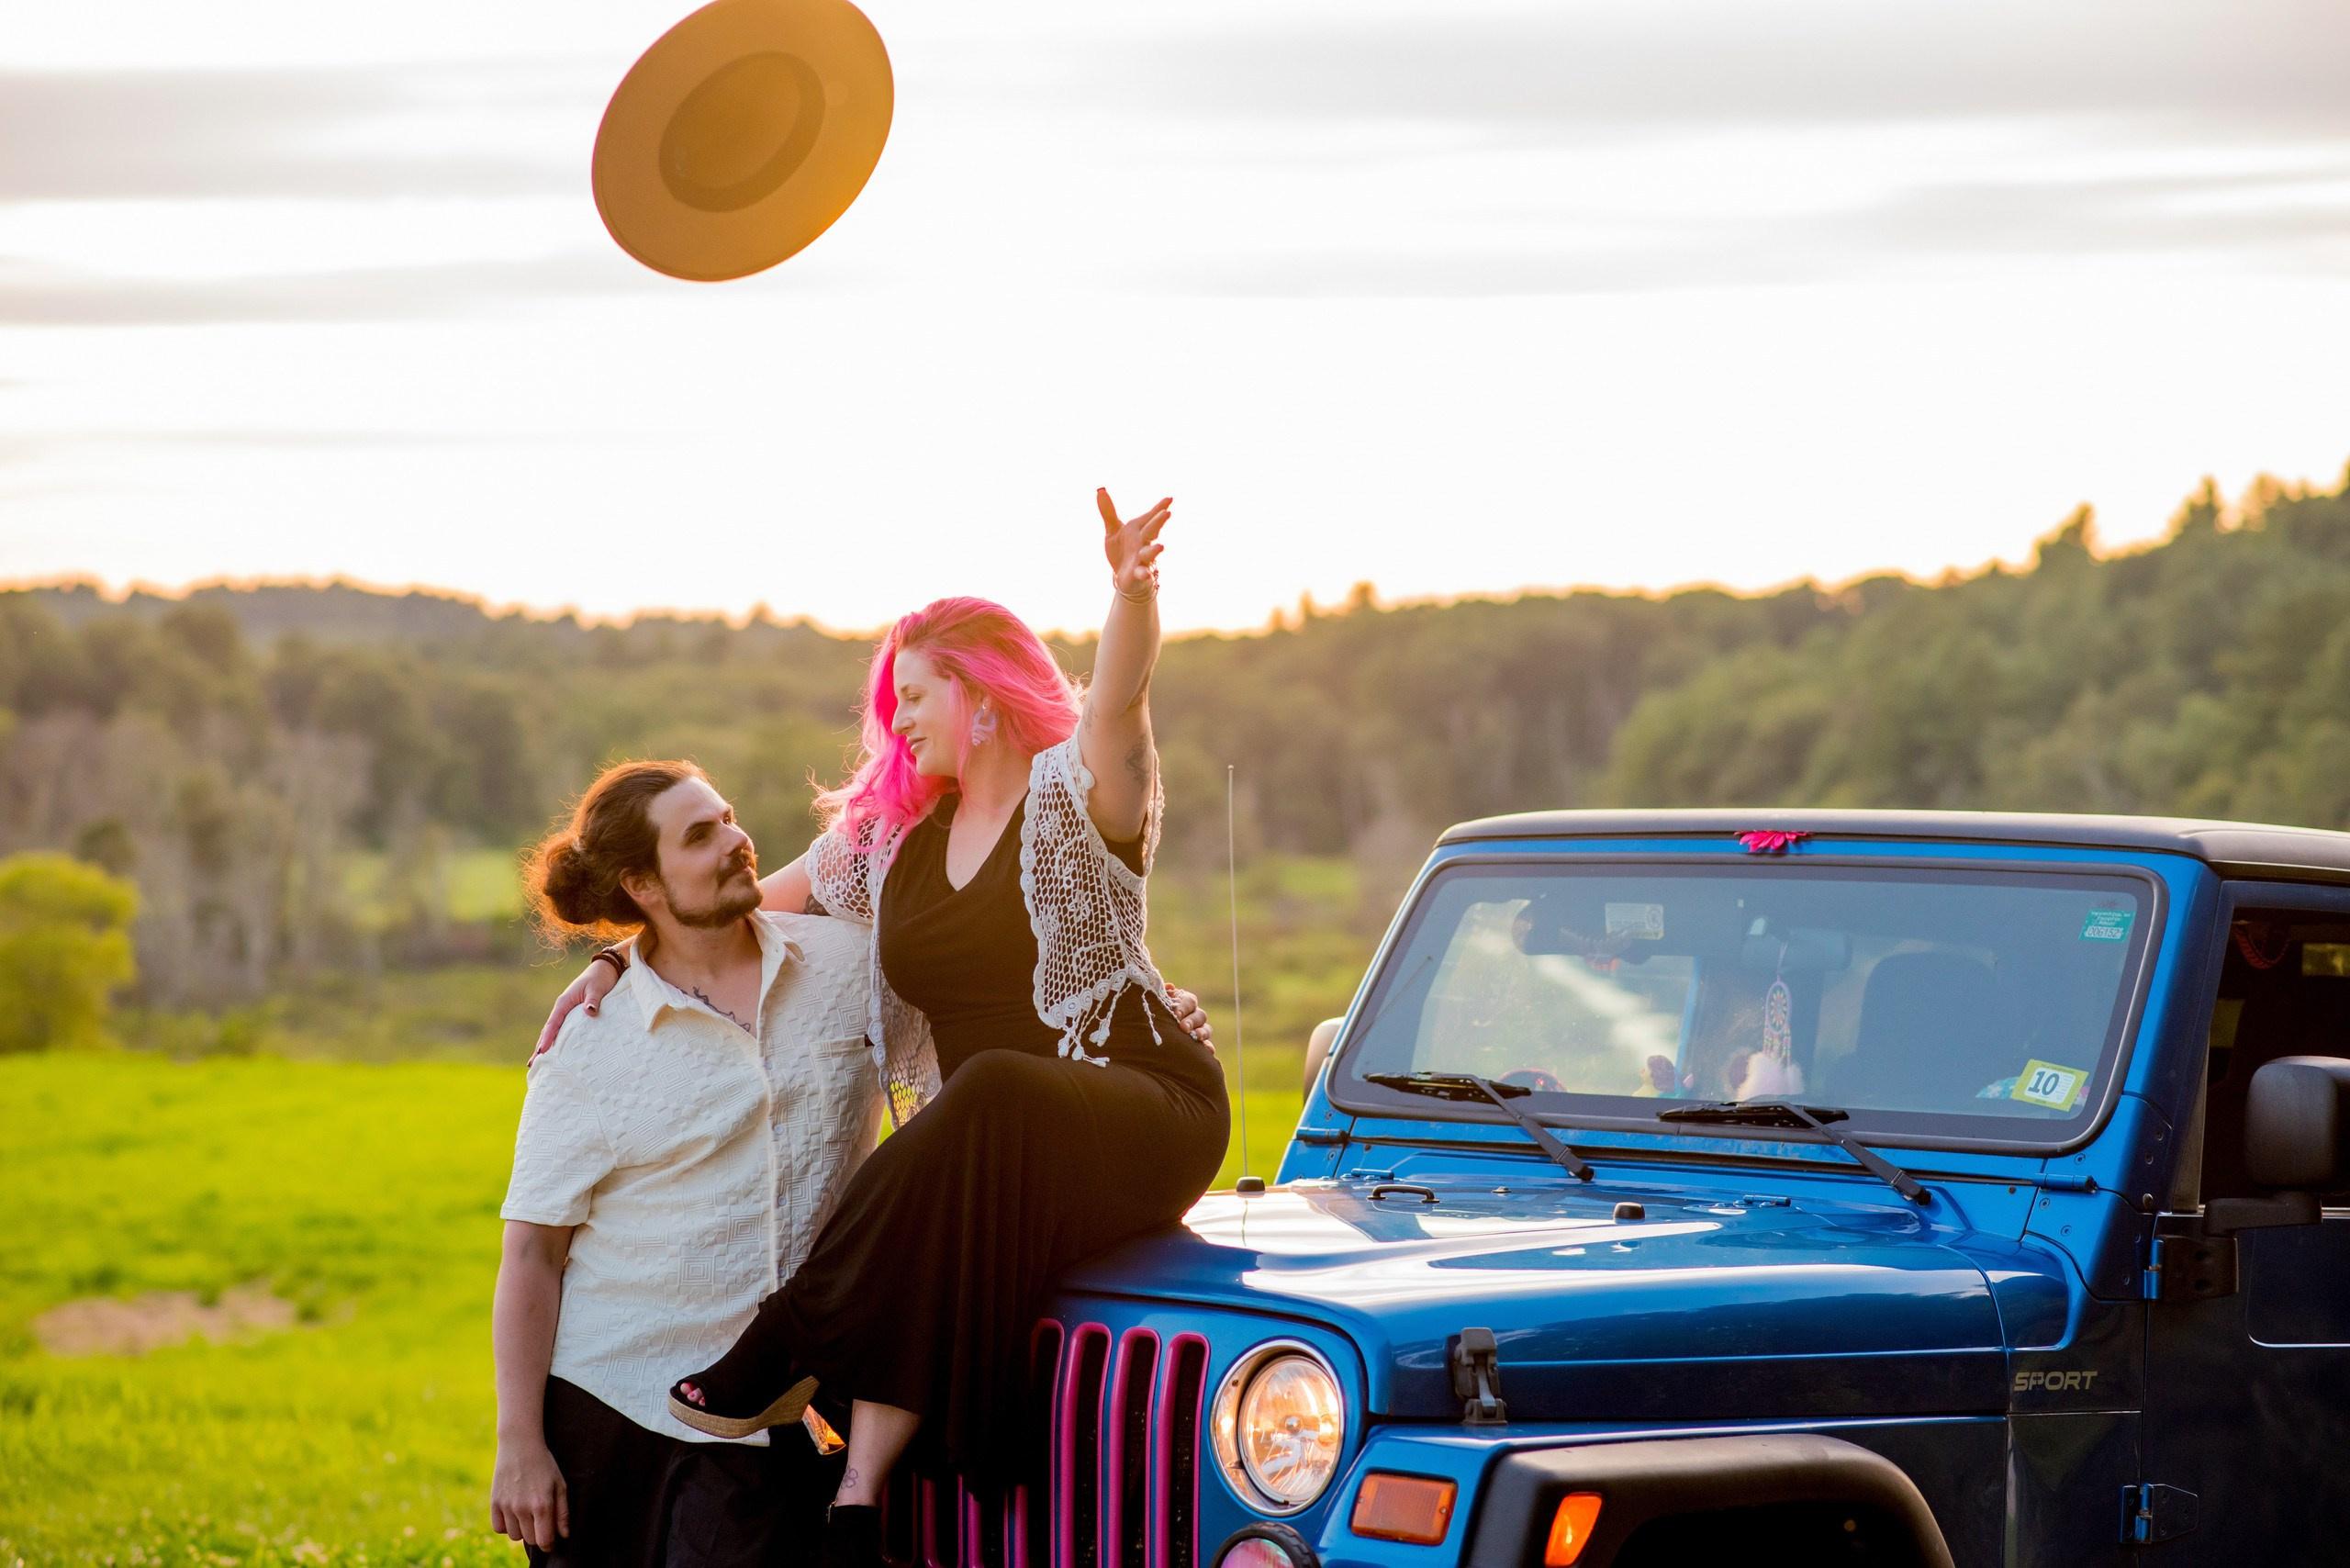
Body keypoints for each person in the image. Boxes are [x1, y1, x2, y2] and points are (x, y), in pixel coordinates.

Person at [546, 488, 1230, 1568]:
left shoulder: (1075, 798)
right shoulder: (893, 841)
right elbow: (735, 909)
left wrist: (1130, 591)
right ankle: (861, 1498)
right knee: (954, 1175)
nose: (897, 720)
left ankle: (783, 1337)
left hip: (1145, 1108)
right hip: (994, 1143)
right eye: (892, 700)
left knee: (989, 1085)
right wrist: (612, 962)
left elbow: (1121, 697)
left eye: (914, 695)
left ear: (980, 691)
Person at [488, 759, 874, 1567]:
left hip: (769, 1413)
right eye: (700, 835)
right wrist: (519, 1443)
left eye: (728, 818)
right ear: (643, 885)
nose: (737, 840)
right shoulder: (591, 1040)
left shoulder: (853, 969)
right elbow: (532, 1252)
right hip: (608, 1408)